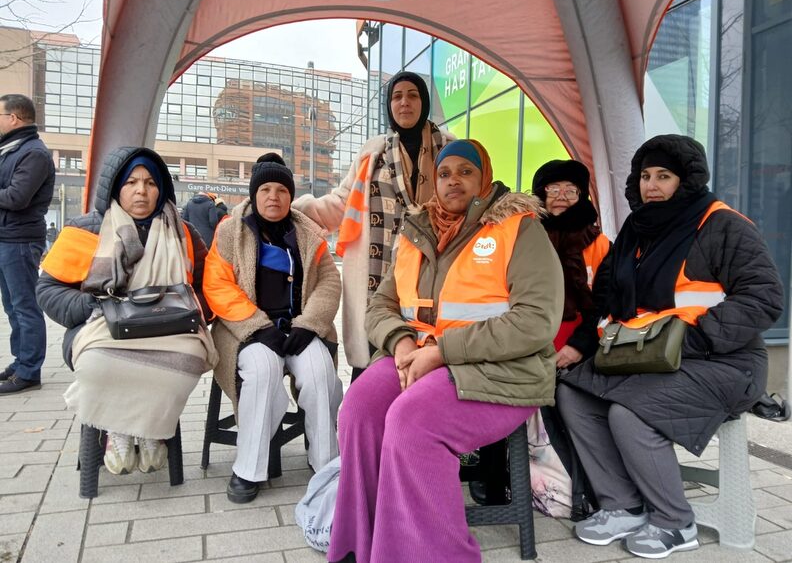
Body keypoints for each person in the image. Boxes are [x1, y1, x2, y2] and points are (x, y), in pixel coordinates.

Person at [327, 140, 564, 563]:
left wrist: (441, 352)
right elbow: (380, 305)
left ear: (484, 177)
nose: (453, 179)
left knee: (412, 422)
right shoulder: (417, 230)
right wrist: (400, 343)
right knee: (358, 411)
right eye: (444, 172)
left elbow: (536, 320)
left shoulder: (519, 227)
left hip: (503, 369)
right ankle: (358, 544)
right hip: (419, 355)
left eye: (465, 171)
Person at [557, 134, 784, 559]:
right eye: (645, 176)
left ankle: (675, 523)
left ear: (687, 180)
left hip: (724, 360)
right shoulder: (636, 230)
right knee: (571, 392)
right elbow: (604, 298)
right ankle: (622, 504)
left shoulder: (723, 224)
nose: (652, 185)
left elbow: (764, 298)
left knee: (631, 413)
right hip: (646, 356)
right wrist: (579, 346)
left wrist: (692, 339)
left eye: (664, 176)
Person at [37, 147, 217, 474]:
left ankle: (151, 431)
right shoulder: (86, 229)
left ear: (161, 187)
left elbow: (209, 287)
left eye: (150, 182)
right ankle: (119, 431)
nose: (141, 190)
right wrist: (93, 306)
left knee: (188, 359)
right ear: (116, 187)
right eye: (131, 182)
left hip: (171, 333)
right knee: (97, 364)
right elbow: (48, 288)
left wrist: (189, 312)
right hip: (100, 330)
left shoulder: (185, 233)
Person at [293, 71, 453, 379]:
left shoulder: (449, 148)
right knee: (370, 367)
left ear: (425, 102)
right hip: (377, 274)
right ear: (389, 106)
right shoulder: (373, 153)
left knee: (426, 362)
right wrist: (296, 208)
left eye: (413, 95)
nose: (404, 102)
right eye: (397, 96)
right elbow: (342, 202)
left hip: (434, 270)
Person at [203, 160, 343, 504]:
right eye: (265, 189)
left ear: (290, 196)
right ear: (254, 194)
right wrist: (256, 326)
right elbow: (217, 286)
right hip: (247, 330)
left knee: (320, 371)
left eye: (282, 190)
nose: (274, 197)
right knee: (263, 370)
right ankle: (248, 469)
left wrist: (310, 324)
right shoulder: (229, 232)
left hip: (297, 329)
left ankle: (327, 464)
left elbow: (328, 282)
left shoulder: (308, 233)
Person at [523, 159, 611, 519]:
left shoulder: (600, 243)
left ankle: (579, 485)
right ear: (539, 194)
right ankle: (515, 476)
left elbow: (607, 303)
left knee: (572, 403)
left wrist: (578, 347)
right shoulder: (523, 235)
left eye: (569, 190)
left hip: (579, 344)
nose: (560, 196)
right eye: (551, 189)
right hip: (529, 341)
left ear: (581, 195)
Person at [0, 94, 56, 395]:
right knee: (11, 306)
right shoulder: (10, 150)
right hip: (6, 236)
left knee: (24, 306)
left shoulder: (33, 153)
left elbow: (16, 197)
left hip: (20, 240)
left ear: (14, 118)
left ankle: (29, 371)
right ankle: (20, 361)